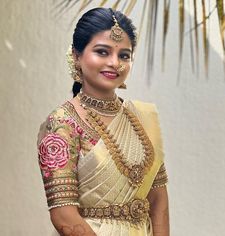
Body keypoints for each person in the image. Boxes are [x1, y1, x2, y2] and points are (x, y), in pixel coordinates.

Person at [37, 7, 169, 236]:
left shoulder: (142, 119)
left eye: (124, 55)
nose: (115, 63)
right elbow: (63, 215)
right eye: (102, 52)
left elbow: (158, 200)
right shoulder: (61, 124)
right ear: (77, 56)